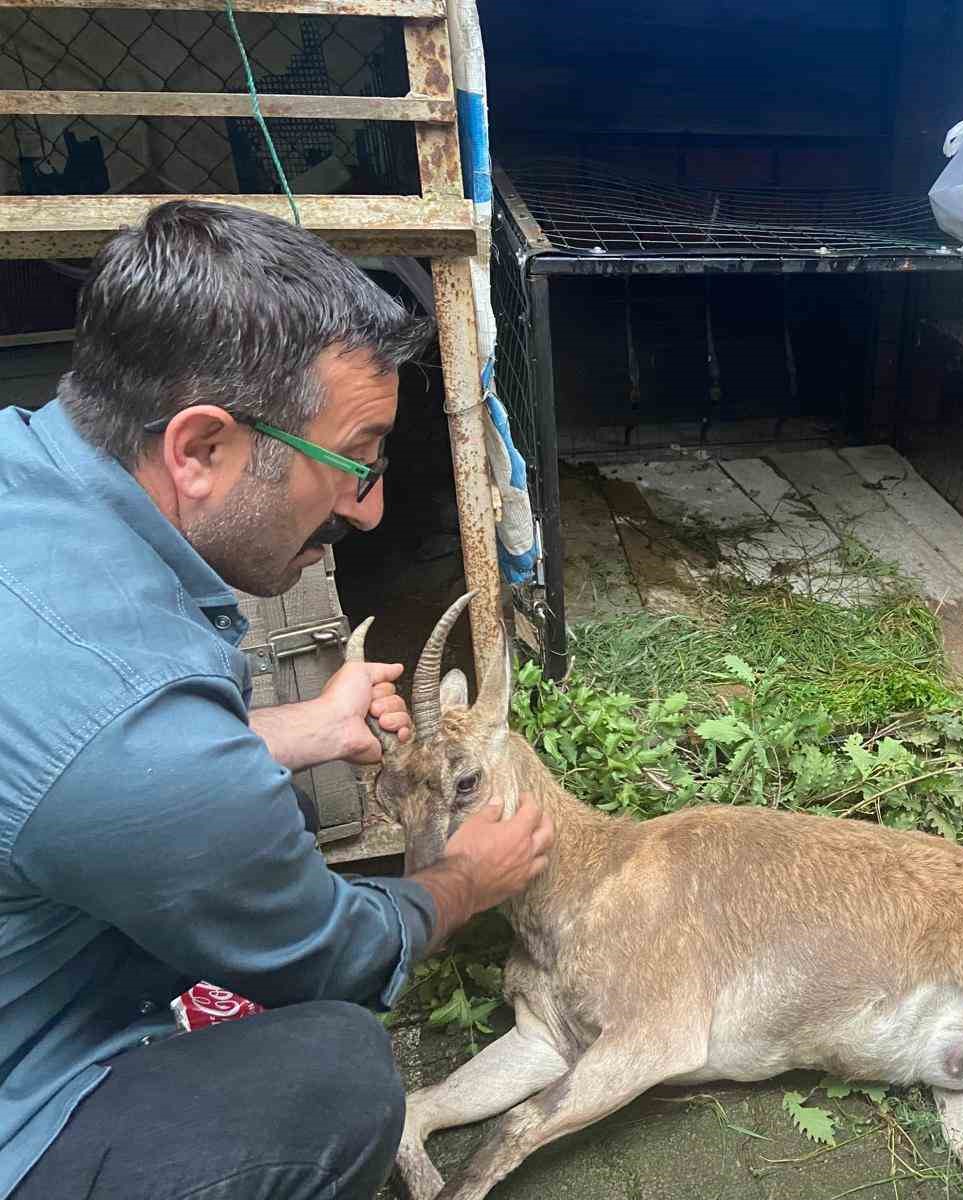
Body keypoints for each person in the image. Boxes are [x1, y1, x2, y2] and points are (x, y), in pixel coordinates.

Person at [0, 200, 554, 1200]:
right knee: (332, 1074)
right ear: (200, 449)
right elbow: (327, 954)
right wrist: (466, 879)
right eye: (358, 461)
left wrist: (298, 731)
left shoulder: (26, 476)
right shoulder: (135, 727)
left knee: (277, 806)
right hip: (16, 1094)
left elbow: (68, 755)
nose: (372, 506)